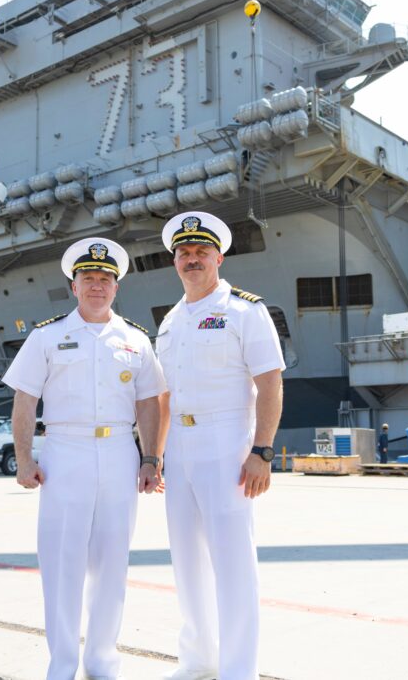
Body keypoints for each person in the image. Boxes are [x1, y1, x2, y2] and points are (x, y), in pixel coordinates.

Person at [3, 237, 166, 680]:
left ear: (116, 287)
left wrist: (151, 458)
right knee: (62, 562)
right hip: (64, 452)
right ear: (73, 286)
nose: (97, 285)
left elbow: (149, 402)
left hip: (119, 453)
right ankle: (62, 664)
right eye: (88, 278)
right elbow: (24, 400)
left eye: (105, 279)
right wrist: (24, 459)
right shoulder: (47, 336)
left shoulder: (135, 339)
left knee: (113, 562)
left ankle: (101, 661)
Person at [155, 211, 285, 680]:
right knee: (187, 561)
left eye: (201, 252)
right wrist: (155, 455)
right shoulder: (170, 321)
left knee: (232, 562)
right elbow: (164, 396)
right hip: (180, 447)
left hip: (226, 440)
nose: (192, 259)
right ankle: (199, 662)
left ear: (219, 258)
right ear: (175, 261)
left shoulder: (245, 311)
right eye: (184, 253)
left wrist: (262, 451)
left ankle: (238, 670)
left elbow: (270, 383)